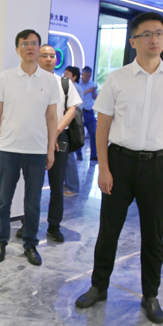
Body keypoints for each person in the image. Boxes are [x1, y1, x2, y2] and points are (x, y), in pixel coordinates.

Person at [74, 12, 163, 324]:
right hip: (120, 162)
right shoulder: (117, 78)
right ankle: (99, 286)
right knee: (108, 230)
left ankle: (150, 294)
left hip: (158, 165)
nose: (155, 39)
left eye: (160, 33)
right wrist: (103, 168)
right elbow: (102, 127)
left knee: (153, 235)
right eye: (147, 34)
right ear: (133, 41)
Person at [0, 29, 59, 266]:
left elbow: (52, 117)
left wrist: (50, 150)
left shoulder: (50, 80)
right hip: (9, 148)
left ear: (39, 47)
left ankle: (30, 244)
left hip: (37, 150)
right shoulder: (5, 77)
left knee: (33, 202)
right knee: (4, 199)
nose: (30, 47)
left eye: (34, 43)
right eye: (25, 43)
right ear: (17, 49)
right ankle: (0, 241)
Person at [29, 45, 81, 242]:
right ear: (37, 58)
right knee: (32, 186)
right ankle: (28, 224)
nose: (49, 59)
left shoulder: (64, 83)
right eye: (45, 56)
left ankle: (54, 226)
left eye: (52, 56)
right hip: (35, 137)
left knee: (57, 185)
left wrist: (55, 132)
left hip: (59, 137)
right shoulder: (30, 82)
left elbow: (71, 110)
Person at [63, 66, 83, 194]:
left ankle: (73, 187)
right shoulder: (65, 86)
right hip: (66, 125)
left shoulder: (76, 89)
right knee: (66, 157)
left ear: (74, 77)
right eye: (64, 73)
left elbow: (75, 109)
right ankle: (68, 184)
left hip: (72, 127)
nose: (65, 76)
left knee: (70, 156)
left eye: (68, 74)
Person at [79, 66, 98, 161]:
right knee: (79, 134)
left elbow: (95, 97)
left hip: (90, 112)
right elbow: (78, 96)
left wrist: (93, 92)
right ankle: (78, 154)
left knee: (94, 133)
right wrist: (87, 91)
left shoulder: (91, 83)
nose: (88, 77)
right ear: (82, 74)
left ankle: (93, 154)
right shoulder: (78, 84)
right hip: (81, 112)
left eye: (90, 76)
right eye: (87, 75)